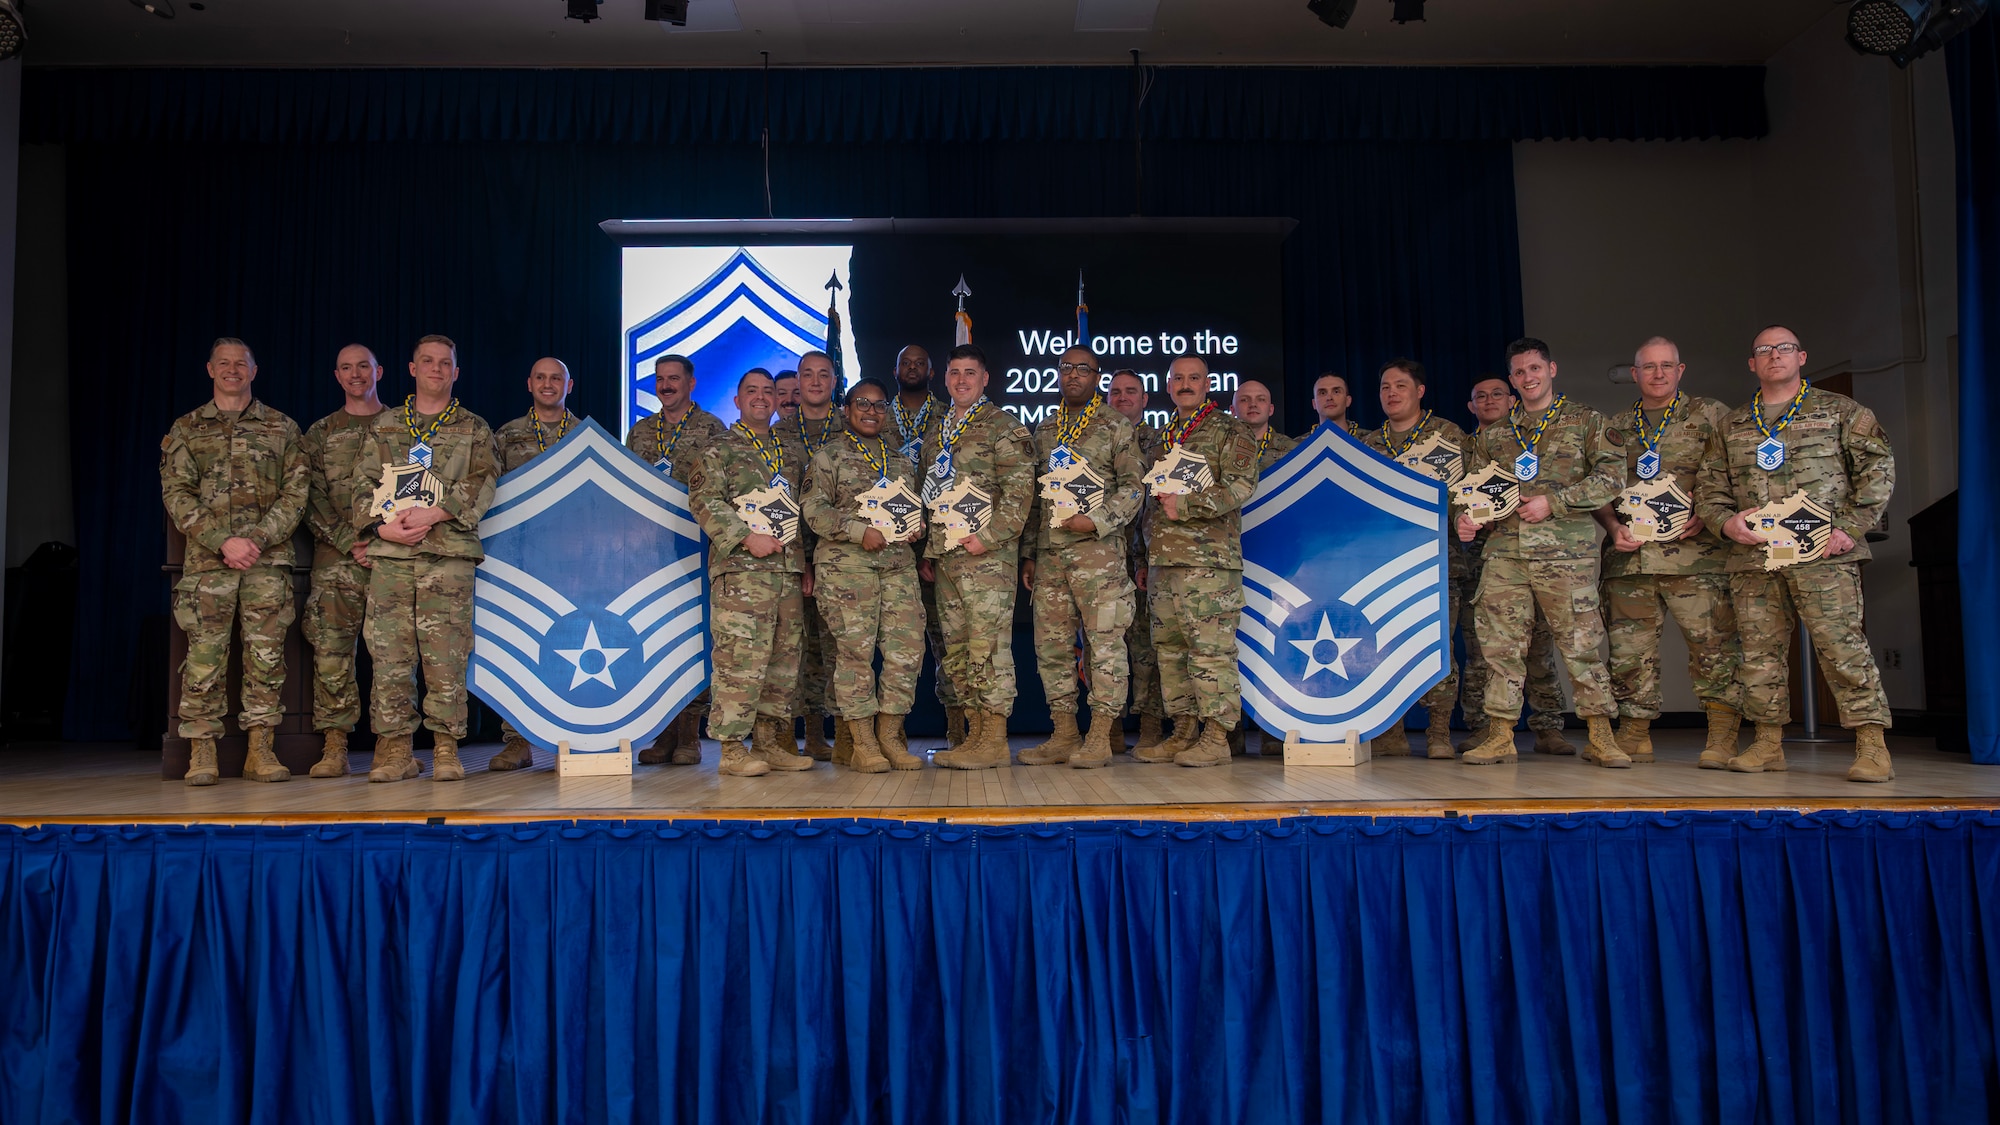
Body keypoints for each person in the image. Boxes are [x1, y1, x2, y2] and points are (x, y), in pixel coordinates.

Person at [1695, 325, 1897, 781]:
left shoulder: (1841, 411)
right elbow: (1709, 487)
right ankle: (1768, 742)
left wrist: (1849, 528)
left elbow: (1877, 469)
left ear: (1801, 356)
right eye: (1763, 351)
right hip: (1755, 558)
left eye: (1784, 348)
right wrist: (1726, 523)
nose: (1774, 356)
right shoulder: (1731, 424)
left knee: (1842, 646)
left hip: (1823, 552)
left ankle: (1871, 744)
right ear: (1752, 363)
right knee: (1758, 652)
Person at [1456, 338, 1627, 767]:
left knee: (1581, 645)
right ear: (1512, 380)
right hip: (1505, 555)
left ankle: (1602, 736)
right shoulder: (1494, 433)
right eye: (1519, 372)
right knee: (1501, 646)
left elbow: (1612, 478)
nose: (1528, 377)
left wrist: (1556, 502)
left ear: (1551, 370)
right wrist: (1468, 517)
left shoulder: (1586, 421)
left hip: (1565, 555)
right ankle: (1499, 735)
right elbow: (1475, 490)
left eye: (1535, 368)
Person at [160, 337, 309, 786]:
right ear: (210, 369)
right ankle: (202, 751)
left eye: (239, 364)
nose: (231, 370)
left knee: (266, 657)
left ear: (253, 370)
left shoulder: (283, 428)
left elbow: (297, 493)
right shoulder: (187, 429)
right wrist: (224, 540)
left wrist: (257, 540)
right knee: (204, 657)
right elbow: (176, 493)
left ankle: (260, 750)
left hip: (266, 561)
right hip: (208, 563)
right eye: (223, 363)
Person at [1591, 337, 1744, 768]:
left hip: (1696, 555)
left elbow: (1739, 471)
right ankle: (1635, 734)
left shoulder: (1711, 415)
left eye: (1666, 365)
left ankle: (1721, 736)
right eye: (1648, 367)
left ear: (1681, 370)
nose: (1658, 374)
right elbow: (1598, 487)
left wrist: (1712, 511)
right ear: (1634, 374)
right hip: (1630, 558)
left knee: (1712, 647)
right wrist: (1612, 526)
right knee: (1628, 652)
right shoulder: (1615, 425)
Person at [356, 335, 499, 783]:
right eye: (428, 362)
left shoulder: (475, 429)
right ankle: (396, 750)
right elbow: (359, 489)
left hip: (447, 557)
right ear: (413, 369)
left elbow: (485, 480)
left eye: (445, 364)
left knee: (446, 657)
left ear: (455, 373)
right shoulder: (385, 426)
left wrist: (438, 510)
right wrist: (382, 528)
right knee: (389, 657)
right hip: (392, 558)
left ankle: (445, 748)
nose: (436, 369)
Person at [1018, 346, 1145, 768]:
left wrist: (1097, 521)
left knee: (1104, 647)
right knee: (1051, 648)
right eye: (1067, 367)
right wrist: (1031, 555)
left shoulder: (1115, 426)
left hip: (1098, 557)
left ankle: (1100, 736)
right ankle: (1064, 733)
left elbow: (1133, 488)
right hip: (1052, 557)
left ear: (1097, 377)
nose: (1073, 375)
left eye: (1083, 369)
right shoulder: (1045, 428)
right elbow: (1037, 499)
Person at [686, 369, 815, 776]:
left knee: (782, 660)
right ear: (738, 400)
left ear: (778, 400)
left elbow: (804, 512)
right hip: (742, 573)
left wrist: (806, 562)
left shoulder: (791, 451)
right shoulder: (718, 448)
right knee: (740, 659)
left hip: (787, 572)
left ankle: (770, 740)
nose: (761, 398)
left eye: (769, 392)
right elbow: (703, 499)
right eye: (752, 392)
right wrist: (745, 537)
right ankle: (732, 748)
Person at [1140, 355, 1260, 768]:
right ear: (1169, 385)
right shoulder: (1161, 436)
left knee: (1210, 652)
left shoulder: (1231, 429)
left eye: (1194, 378)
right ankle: (1184, 731)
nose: (1185, 384)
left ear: (1209, 384)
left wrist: (1188, 505)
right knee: (1171, 651)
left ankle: (1216, 736)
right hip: (1163, 561)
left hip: (1210, 563)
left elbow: (1243, 484)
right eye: (1178, 378)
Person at [800, 377, 926, 772]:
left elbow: (914, 507)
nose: (871, 412)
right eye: (862, 404)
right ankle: (863, 743)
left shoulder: (901, 460)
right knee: (854, 656)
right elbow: (813, 510)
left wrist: (916, 526)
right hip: (846, 569)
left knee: (906, 653)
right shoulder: (827, 458)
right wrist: (859, 531)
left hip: (897, 568)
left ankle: (889, 737)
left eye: (878, 405)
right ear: (846, 409)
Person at [920, 344, 1036, 769]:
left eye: (970, 372)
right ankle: (973, 734)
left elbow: (1020, 494)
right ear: (945, 378)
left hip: (987, 559)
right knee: (957, 650)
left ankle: (994, 738)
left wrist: (988, 538)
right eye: (954, 372)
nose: (962, 380)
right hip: (947, 556)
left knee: (988, 648)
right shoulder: (938, 432)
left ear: (986, 379)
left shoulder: (1003, 427)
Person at [1458, 374, 1574, 755]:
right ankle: (1486, 727)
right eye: (1480, 396)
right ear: (1470, 406)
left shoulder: (1534, 439)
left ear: (1511, 400)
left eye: (1496, 394)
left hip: (1538, 557)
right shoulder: (1466, 446)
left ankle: (1548, 726)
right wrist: (1465, 516)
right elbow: (1457, 497)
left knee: (1538, 645)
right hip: (1478, 558)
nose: (1488, 401)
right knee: (1488, 650)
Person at [1361, 358, 1470, 759]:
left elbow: (1464, 494)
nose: (1391, 393)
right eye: (1385, 387)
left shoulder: (1448, 435)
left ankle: (1439, 731)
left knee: (1437, 648)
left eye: (1400, 386)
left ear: (1419, 391)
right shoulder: (1370, 444)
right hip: (1384, 567)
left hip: (1438, 563)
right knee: (1386, 648)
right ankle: (1390, 730)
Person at [626, 352, 728, 765]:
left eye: (674, 379)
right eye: (660, 379)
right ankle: (663, 734)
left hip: (697, 546)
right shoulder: (641, 431)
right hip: (649, 552)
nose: (666, 385)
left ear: (691, 383)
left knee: (693, 639)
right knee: (658, 638)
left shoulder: (712, 429)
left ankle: (689, 734)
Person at [488, 356, 583, 771]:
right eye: (541, 378)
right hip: (519, 560)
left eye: (556, 378)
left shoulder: (586, 437)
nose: (548, 385)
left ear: (569, 384)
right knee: (517, 646)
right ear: (529, 384)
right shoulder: (506, 436)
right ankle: (516, 739)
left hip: (574, 563)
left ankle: (579, 735)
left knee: (574, 647)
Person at [300, 344, 385, 779]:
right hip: (337, 561)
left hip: (391, 558)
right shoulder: (319, 433)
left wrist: (380, 541)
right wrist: (350, 541)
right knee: (332, 652)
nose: (356, 375)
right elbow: (308, 496)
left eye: (363, 367)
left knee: (394, 655)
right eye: (347, 368)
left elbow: (416, 490)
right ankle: (335, 745)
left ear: (379, 372)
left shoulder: (400, 428)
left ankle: (392, 745)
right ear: (337, 376)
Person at [883, 343, 964, 748]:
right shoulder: (877, 413)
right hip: (889, 545)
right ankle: (889, 732)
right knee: (893, 639)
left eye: (920, 363)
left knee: (946, 637)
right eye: (905, 363)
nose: (912, 368)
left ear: (932, 372)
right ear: (895, 370)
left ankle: (956, 728)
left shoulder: (947, 419)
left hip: (938, 542)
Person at [784, 350, 846, 759]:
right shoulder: (777, 432)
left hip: (841, 556)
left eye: (824, 374)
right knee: (792, 648)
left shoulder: (854, 426)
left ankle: (835, 735)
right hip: (788, 555)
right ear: (799, 381)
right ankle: (793, 735)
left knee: (839, 647)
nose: (816, 382)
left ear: (835, 381)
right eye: (808, 374)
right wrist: (800, 557)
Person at [1109, 369, 1168, 752]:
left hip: (1147, 557)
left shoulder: (1161, 444)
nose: (1123, 397)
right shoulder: (1096, 438)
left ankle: (1149, 727)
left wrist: (1145, 557)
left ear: (1145, 400)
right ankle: (1109, 727)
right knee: (1105, 645)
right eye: (1115, 392)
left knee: (1148, 649)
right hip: (1104, 557)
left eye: (1132, 391)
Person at [1233, 378, 1296, 471]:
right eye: (1244, 400)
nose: (1253, 404)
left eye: (1261, 399)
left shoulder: (1292, 449)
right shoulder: (1218, 447)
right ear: (1232, 410)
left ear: (1271, 409)